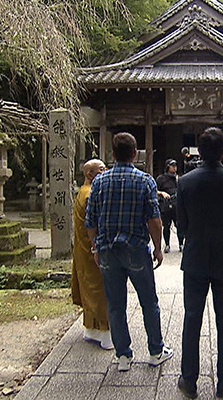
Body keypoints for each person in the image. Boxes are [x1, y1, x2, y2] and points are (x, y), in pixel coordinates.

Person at [85, 132, 173, 372]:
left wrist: (95, 247)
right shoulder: (145, 181)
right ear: (135, 154)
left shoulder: (99, 182)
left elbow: (90, 221)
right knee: (148, 302)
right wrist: (158, 248)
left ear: (112, 155)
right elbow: (154, 219)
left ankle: (123, 355)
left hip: (108, 250)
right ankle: (156, 351)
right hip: (136, 248)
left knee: (115, 305)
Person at [176, 127, 223, 399]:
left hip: (194, 256)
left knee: (192, 318)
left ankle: (189, 379)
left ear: (199, 150)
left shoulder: (185, 181)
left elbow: (181, 223)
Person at [71, 159, 112, 350]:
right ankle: (105, 334)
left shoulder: (83, 191)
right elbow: (96, 224)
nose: (106, 172)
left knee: (90, 289)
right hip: (93, 250)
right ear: (90, 174)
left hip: (83, 250)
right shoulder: (92, 194)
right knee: (101, 291)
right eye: (102, 170)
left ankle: (91, 329)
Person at [156, 159, 184, 253]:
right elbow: (155, 190)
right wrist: (162, 193)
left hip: (176, 205)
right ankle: (167, 244)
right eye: (172, 165)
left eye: (175, 165)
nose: (174, 167)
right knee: (166, 226)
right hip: (165, 205)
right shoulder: (161, 178)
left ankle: (181, 244)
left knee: (179, 225)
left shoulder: (178, 179)